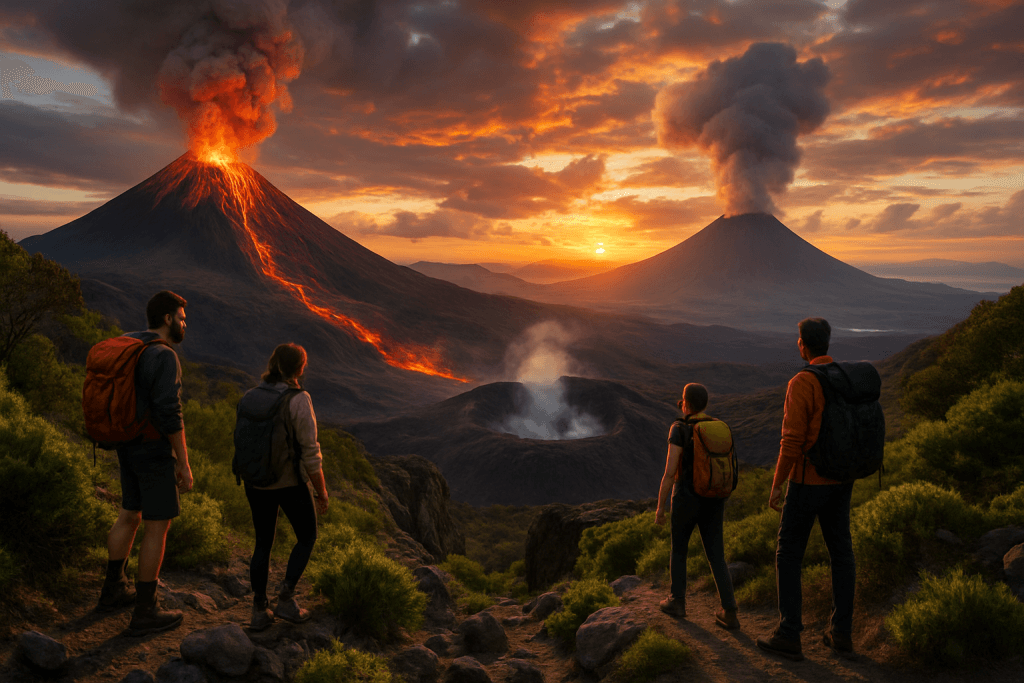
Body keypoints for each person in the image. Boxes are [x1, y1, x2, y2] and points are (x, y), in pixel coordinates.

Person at [757, 317, 856, 661]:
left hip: (807, 481)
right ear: (827, 342)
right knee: (841, 552)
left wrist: (777, 484)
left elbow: (792, 440)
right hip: (842, 480)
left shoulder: (803, 381)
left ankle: (789, 634)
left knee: (788, 553)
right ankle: (841, 634)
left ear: (803, 344)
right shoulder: (845, 376)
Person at [98, 290, 193, 636]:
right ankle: (145, 611)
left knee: (129, 514)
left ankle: (112, 591)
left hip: (126, 442)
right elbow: (170, 413)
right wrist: (183, 462)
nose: (185, 324)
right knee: (157, 525)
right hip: (152, 450)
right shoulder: (164, 356)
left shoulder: (130, 343)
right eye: (182, 318)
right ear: (168, 319)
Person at [242, 343, 330, 631]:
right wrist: (321, 491)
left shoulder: (251, 396)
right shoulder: (298, 399)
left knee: (262, 543)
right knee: (307, 536)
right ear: (300, 368)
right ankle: (286, 597)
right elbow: (310, 452)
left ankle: (258, 609)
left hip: (255, 482)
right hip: (289, 483)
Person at [654, 383, 739, 629]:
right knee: (716, 555)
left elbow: (670, 472)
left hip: (686, 498)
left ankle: (677, 601)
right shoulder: (718, 427)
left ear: (686, 403)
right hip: (714, 497)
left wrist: (660, 507)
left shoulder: (679, 428)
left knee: (679, 548)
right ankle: (730, 610)